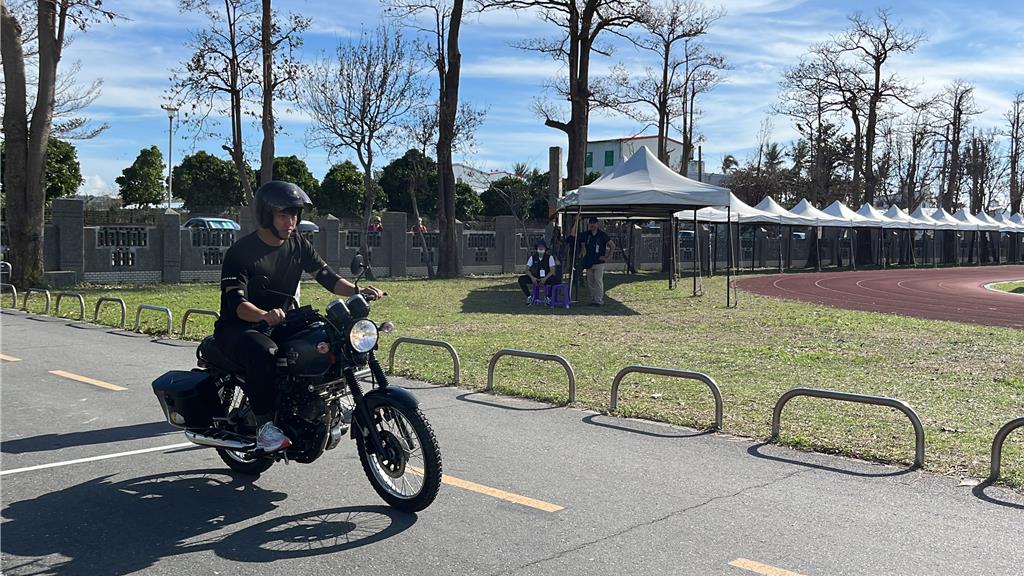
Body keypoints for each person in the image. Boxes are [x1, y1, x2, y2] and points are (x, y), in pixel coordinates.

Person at [215, 181, 383, 453]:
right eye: (283, 215)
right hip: (240, 328)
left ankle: (320, 405)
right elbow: (236, 303)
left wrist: (358, 290)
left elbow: (326, 276)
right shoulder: (241, 252)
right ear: (266, 215)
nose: (290, 222)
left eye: (294, 215)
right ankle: (265, 428)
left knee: (325, 338)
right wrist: (264, 314)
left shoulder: (297, 244)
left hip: (282, 322)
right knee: (265, 352)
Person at [517, 239, 560, 303]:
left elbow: (552, 271)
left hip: (546, 277)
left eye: (542, 247)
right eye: (539, 247)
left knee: (555, 280)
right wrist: (532, 278)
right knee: (521, 279)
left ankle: (548, 298)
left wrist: (545, 279)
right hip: (535, 277)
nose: (541, 248)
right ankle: (529, 297)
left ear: (545, 248)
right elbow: (527, 269)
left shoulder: (549, 257)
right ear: (537, 248)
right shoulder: (532, 257)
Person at [580, 217, 610, 306]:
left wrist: (607, 257)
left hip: (599, 262)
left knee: (598, 280)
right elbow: (582, 245)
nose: (592, 225)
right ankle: (593, 299)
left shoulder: (602, 235)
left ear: (597, 224)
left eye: (594, 223)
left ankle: (599, 300)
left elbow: (612, 245)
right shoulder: (586, 234)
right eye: (590, 223)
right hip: (589, 262)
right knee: (590, 281)